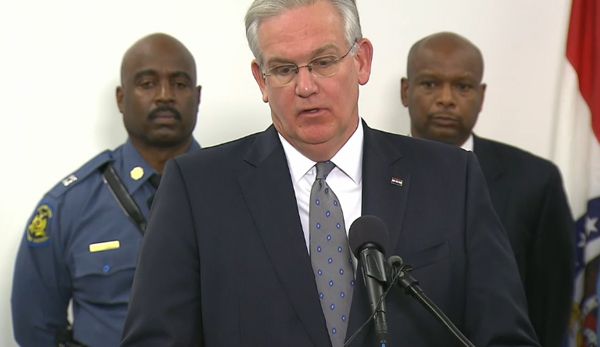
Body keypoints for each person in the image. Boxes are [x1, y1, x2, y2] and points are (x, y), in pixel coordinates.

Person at [121, 2, 539, 346]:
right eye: (284, 69)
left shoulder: (452, 179)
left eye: (323, 62)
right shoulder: (197, 189)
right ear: (261, 80)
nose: (306, 86)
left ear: (361, 61)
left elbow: (504, 335)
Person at [11, 33, 202, 347]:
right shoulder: (68, 206)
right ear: (121, 98)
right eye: (147, 83)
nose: (165, 95)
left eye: (179, 84)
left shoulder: (236, 193)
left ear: (197, 97)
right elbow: (36, 329)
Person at [400, 31, 575, 347]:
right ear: (405, 91)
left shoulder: (535, 182)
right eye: (430, 84)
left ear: (481, 96)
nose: (446, 99)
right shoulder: (370, 171)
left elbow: (550, 307)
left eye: (463, 87)